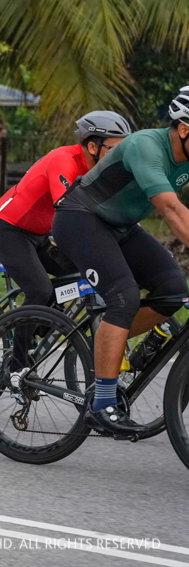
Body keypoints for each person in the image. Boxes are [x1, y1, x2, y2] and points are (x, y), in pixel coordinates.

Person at [52, 91, 189, 437]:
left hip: (121, 226)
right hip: (80, 218)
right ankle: (101, 405)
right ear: (184, 129)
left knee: (173, 290)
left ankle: (107, 342)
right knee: (123, 296)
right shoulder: (147, 146)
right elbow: (170, 208)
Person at [0, 111, 131, 306]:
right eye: (115, 149)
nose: (120, 155)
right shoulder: (64, 160)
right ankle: (18, 326)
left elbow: (117, 205)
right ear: (92, 147)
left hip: (41, 233)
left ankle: (50, 321)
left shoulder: (99, 168)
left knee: (80, 276)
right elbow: (67, 207)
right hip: (9, 230)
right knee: (40, 291)